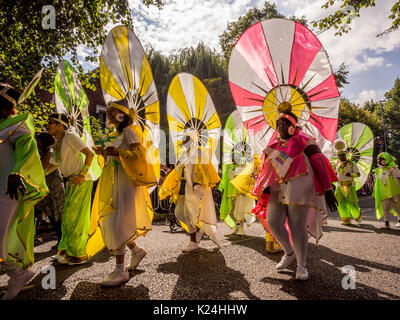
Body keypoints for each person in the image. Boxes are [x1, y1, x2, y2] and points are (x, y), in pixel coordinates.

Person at [253, 110, 338, 281]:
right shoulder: (273, 145)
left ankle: (302, 265)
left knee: (297, 226)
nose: (280, 126)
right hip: (277, 190)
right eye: (278, 123)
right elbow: (266, 169)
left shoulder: (305, 141)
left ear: (294, 125)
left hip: (299, 187)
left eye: (284, 122)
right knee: (273, 222)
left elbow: (319, 162)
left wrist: (328, 190)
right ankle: (289, 252)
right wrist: (266, 186)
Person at [90, 100, 157, 286]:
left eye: (114, 112)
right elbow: (115, 154)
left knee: (116, 221)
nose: (110, 115)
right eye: (109, 112)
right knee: (115, 220)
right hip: (113, 180)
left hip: (126, 182)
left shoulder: (129, 131)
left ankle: (120, 271)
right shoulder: (114, 134)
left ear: (123, 114)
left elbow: (139, 155)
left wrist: (119, 153)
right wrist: (103, 151)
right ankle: (137, 251)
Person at [0, 84, 48, 299]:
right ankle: (18, 272)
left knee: (2, 234)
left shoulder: (18, 125)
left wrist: (17, 173)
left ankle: (18, 273)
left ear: (6, 107)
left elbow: (28, 151)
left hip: (9, 189)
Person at [159, 129, 221, 253]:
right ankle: (198, 231)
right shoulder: (184, 155)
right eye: (183, 138)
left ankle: (193, 241)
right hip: (184, 187)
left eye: (186, 138)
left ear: (192, 139)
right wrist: (168, 185)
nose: (183, 140)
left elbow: (204, 170)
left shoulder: (199, 152)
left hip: (195, 188)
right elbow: (177, 172)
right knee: (180, 212)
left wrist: (197, 183)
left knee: (190, 214)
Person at [46, 113, 95, 265]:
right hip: (71, 181)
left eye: (51, 123)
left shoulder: (71, 137)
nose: (48, 126)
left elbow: (90, 154)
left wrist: (82, 174)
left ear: (61, 124)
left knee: (75, 218)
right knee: (67, 218)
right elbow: (54, 164)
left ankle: (77, 255)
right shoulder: (58, 142)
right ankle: (65, 252)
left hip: (81, 180)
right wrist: (41, 174)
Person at [35, 132, 65, 248]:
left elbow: (42, 168)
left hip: (54, 187)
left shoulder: (49, 153)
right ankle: (60, 239)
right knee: (51, 214)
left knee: (58, 213)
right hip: (48, 188)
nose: (36, 143)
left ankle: (62, 240)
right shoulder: (43, 153)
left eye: (38, 141)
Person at [218, 152, 255, 236]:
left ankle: (241, 229)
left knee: (239, 212)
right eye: (233, 157)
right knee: (231, 212)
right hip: (229, 193)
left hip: (239, 193)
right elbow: (226, 180)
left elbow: (247, 180)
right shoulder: (230, 168)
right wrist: (222, 189)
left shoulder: (244, 168)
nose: (235, 158)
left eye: (237, 157)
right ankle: (236, 226)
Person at [333, 141, 361, 225]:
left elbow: (358, 174)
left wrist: (351, 174)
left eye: (342, 155)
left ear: (345, 155)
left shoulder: (351, 163)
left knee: (352, 202)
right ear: (337, 156)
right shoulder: (336, 163)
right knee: (340, 202)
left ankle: (357, 216)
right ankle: (346, 219)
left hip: (349, 185)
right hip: (339, 185)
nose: (341, 156)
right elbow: (335, 173)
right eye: (339, 155)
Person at [372, 152, 400, 229]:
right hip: (384, 193)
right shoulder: (377, 171)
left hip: (395, 192)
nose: (379, 161)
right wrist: (374, 193)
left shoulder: (393, 168)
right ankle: (387, 224)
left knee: (397, 207)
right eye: (378, 159)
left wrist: (392, 170)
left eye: (381, 159)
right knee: (385, 209)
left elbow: (399, 176)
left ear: (386, 160)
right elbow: (376, 184)